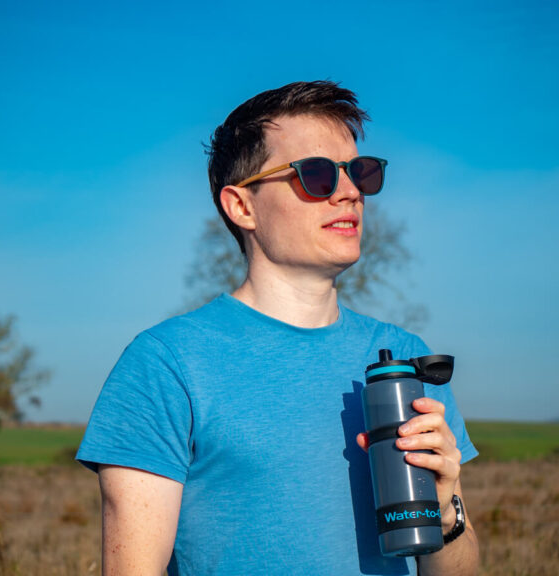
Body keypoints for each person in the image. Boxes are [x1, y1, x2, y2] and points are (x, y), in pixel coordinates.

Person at [77, 80, 479, 575]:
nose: (350, 192)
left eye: (361, 172)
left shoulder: (402, 357)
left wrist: (445, 509)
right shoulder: (166, 363)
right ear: (242, 206)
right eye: (316, 175)